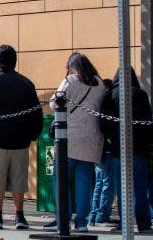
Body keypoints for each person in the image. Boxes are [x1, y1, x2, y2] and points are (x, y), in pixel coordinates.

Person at [0, 44, 43, 231]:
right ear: (15, 61)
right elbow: (36, 113)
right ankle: (19, 215)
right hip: (20, 140)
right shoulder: (27, 83)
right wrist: (33, 134)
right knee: (18, 179)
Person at [41, 52, 106, 232]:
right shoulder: (99, 84)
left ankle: (63, 217)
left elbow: (55, 103)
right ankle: (82, 222)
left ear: (72, 66)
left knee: (59, 178)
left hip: (67, 140)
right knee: (84, 181)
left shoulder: (70, 80)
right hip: (92, 140)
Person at [99, 67, 152, 232]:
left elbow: (103, 124)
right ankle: (143, 223)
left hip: (118, 149)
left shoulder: (111, 95)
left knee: (123, 188)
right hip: (140, 149)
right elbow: (148, 122)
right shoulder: (141, 94)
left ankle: (125, 223)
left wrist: (111, 139)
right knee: (140, 187)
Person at [90, 78, 118, 226]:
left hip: (97, 148)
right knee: (108, 182)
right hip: (107, 149)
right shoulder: (108, 103)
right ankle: (101, 215)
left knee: (99, 182)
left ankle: (94, 215)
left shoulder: (96, 103)